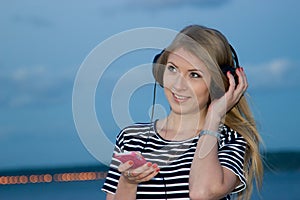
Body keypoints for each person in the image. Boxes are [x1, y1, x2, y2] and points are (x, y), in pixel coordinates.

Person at [102, 25, 263, 200]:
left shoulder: (229, 140)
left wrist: (214, 117)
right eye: (172, 69)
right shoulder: (131, 137)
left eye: (194, 75)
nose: (178, 85)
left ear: (219, 84)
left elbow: (202, 193)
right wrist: (128, 183)